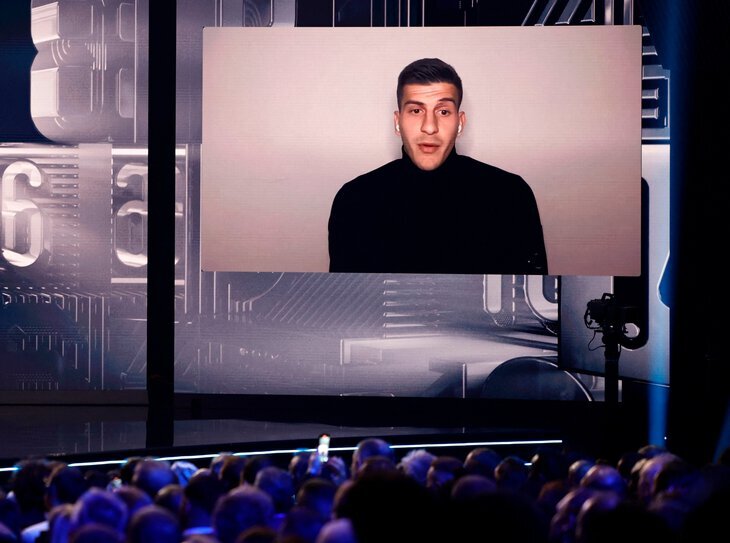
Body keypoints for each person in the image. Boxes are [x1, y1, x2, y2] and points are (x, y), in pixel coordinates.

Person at [328, 57, 548, 275]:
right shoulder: (355, 200)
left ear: (460, 123)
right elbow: (346, 295)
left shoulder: (510, 196)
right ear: (397, 122)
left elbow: (528, 293)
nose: (430, 127)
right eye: (416, 111)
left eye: (443, 111)